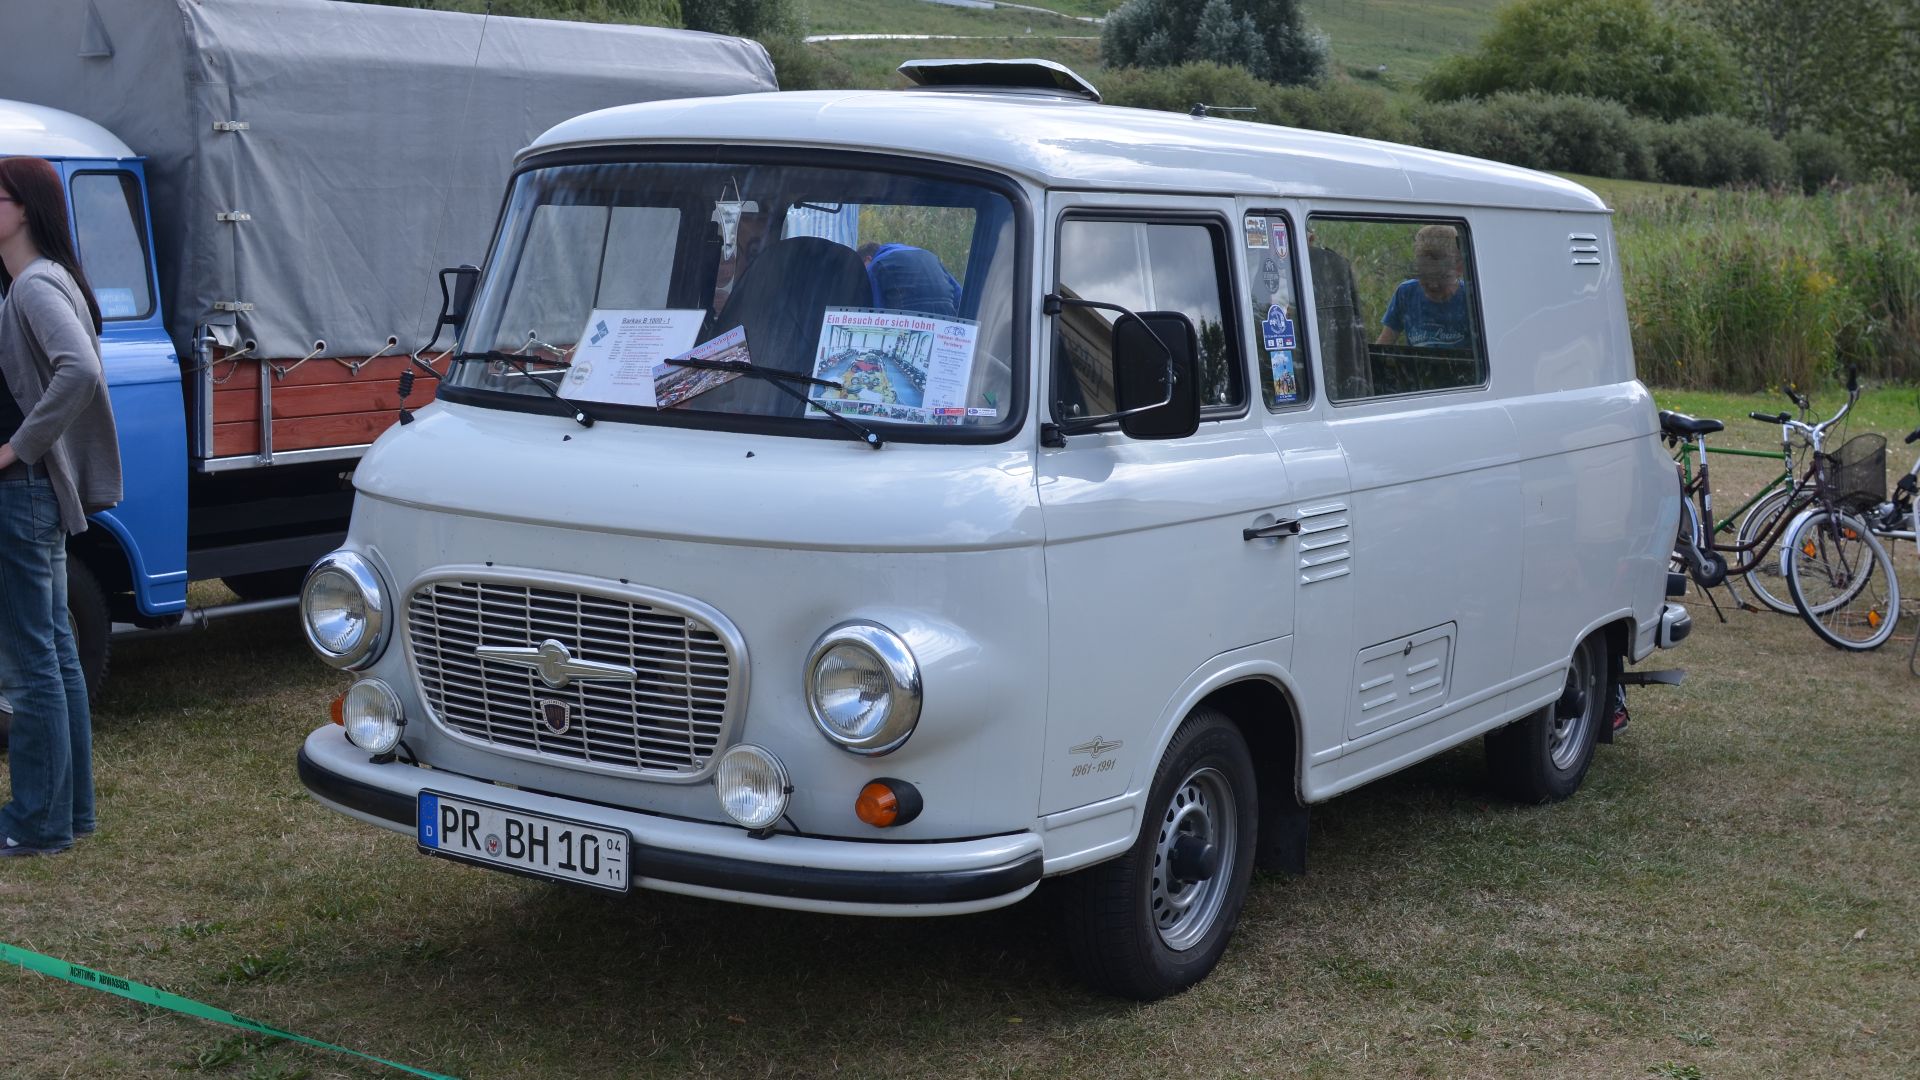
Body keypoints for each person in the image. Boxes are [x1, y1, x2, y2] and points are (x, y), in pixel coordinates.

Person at [0, 156, 122, 857]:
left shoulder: (35, 286)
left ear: (23, 208)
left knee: (31, 663)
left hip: (21, 493)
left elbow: (80, 369)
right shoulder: (40, 280)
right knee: (53, 652)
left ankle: (37, 821)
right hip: (35, 494)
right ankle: (69, 813)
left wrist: (16, 447)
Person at [1375, 224, 1473, 349]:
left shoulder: (1470, 299)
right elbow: (1384, 345)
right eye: (1425, 276)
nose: (1433, 285)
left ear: (1459, 268)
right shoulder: (1406, 293)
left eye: (1441, 276)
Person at [858, 242, 960, 318]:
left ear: (868, 259)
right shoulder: (929, 256)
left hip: (910, 321)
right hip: (946, 317)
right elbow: (959, 294)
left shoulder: (876, 265)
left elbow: (875, 312)